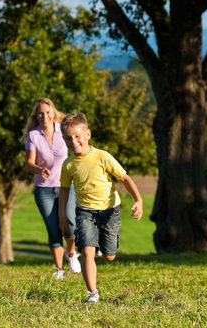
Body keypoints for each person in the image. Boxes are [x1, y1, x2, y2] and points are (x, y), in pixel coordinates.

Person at [58, 112, 143, 304]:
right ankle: (92, 293)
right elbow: (64, 190)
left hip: (110, 211)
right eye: (68, 138)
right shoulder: (68, 164)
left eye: (77, 136)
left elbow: (125, 178)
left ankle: (100, 248)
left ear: (87, 134)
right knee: (87, 250)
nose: (73, 141)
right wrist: (63, 214)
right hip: (85, 211)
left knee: (109, 256)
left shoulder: (103, 157)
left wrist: (138, 199)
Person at [24, 98, 81, 279]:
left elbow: (76, 150)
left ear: (53, 113)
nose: (44, 116)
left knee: (70, 225)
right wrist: (39, 169)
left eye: (48, 112)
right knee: (54, 230)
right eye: (41, 113)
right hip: (44, 190)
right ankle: (59, 270)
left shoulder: (62, 131)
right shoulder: (33, 135)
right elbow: (28, 163)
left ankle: (71, 254)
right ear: (36, 116)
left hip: (67, 186)